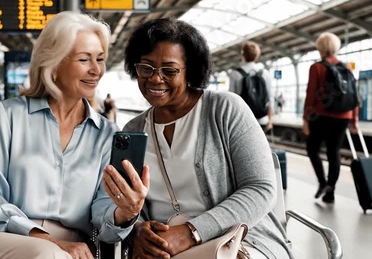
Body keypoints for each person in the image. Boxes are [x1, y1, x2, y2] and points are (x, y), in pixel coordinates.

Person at [0, 11, 149, 259]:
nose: (96, 70)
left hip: (69, 250)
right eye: (84, 59)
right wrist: (49, 241)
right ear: (53, 64)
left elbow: (104, 224)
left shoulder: (106, 134)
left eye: (100, 59)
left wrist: (125, 212)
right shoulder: (9, 115)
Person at [123, 18, 292, 259]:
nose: (155, 79)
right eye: (146, 68)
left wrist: (190, 233)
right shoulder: (133, 129)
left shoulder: (225, 109)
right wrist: (139, 229)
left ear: (190, 69)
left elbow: (261, 189)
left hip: (238, 241)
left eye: (169, 70)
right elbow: (128, 202)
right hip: (165, 249)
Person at [303, 32, 359, 204]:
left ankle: (322, 183)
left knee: (313, 149)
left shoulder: (317, 67)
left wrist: (306, 119)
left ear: (320, 47)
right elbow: (354, 95)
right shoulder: (346, 67)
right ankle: (330, 191)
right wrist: (354, 119)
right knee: (334, 153)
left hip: (321, 116)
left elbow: (311, 95)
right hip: (343, 116)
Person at [229, 41, 273, 133]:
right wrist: (270, 121)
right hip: (262, 119)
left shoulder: (235, 74)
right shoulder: (265, 73)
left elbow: (232, 101)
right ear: (257, 56)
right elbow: (270, 98)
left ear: (243, 55)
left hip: (243, 121)